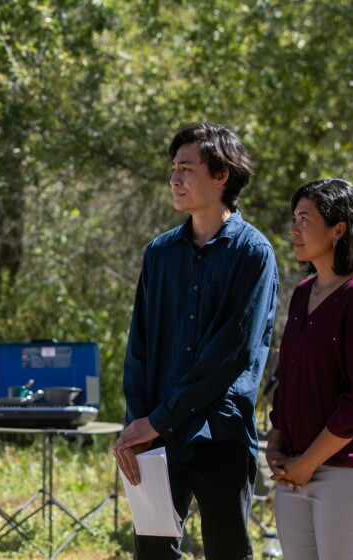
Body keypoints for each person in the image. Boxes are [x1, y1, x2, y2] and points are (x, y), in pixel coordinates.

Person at [113, 122, 279, 559]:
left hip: (219, 432)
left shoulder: (253, 253)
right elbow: (140, 349)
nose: (174, 179)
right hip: (157, 439)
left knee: (227, 551)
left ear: (222, 175)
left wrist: (159, 419)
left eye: (186, 168)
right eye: (173, 169)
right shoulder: (160, 253)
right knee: (152, 553)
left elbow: (232, 355)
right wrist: (139, 426)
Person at [267, 178, 353, 559]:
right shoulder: (303, 292)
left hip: (351, 472)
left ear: (338, 229)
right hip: (294, 471)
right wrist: (277, 444)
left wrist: (307, 462)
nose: (293, 229)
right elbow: (290, 379)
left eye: (304, 219)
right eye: (294, 218)